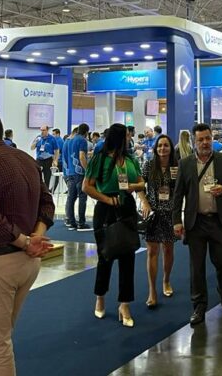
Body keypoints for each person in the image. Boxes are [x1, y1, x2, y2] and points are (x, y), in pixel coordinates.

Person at [0, 109, 54, 376]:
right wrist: (35, 236)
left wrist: (27, 241)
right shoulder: (26, 159)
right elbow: (47, 203)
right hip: (26, 264)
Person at [173, 123, 222, 326]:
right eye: (201, 139)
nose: (205, 142)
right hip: (195, 223)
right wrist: (176, 221)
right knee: (197, 268)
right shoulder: (185, 164)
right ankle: (199, 306)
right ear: (194, 142)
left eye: (207, 138)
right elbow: (178, 195)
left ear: (212, 138)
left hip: (218, 221)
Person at [82, 123, 144, 327]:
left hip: (127, 209)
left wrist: (132, 187)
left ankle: (124, 304)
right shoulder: (100, 159)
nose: (129, 138)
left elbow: (141, 182)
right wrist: (107, 199)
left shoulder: (130, 159)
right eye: (126, 135)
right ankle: (100, 296)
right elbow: (87, 187)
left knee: (128, 256)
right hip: (106, 211)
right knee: (105, 255)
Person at [138, 134, 178, 307]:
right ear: (155, 148)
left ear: (171, 148)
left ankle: (166, 280)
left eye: (166, 145)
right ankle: (152, 291)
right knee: (152, 251)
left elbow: (182, 189)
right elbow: (140, 186)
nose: (163, 148)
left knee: (168, 249)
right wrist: (145, 203)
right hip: (152, 213)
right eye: (160, 145)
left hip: (170, 213)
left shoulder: (177, 166)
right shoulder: (148, 165)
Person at [66, 124, 92, 231]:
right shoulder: (82, 140)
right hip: (79, 173)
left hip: (71, 172)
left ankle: (71, 222)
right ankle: (81, 223)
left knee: (71, 198)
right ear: (86, 132)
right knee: (82, 197)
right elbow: (81, 156)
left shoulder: (70, 140)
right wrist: (87, 170)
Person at [30, 125, 60, 192]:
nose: (42, 132)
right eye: (41, 130)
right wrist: (35, 142)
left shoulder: (52, 139)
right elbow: (32, 148)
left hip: (48, 160)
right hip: (39, 160)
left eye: (43, 130)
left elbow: (56, 150)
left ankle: (46, 191)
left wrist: (55, 160)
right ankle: (38, 191)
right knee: (37, 176)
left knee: (47, 177)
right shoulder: (38, 138)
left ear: (47, 130)